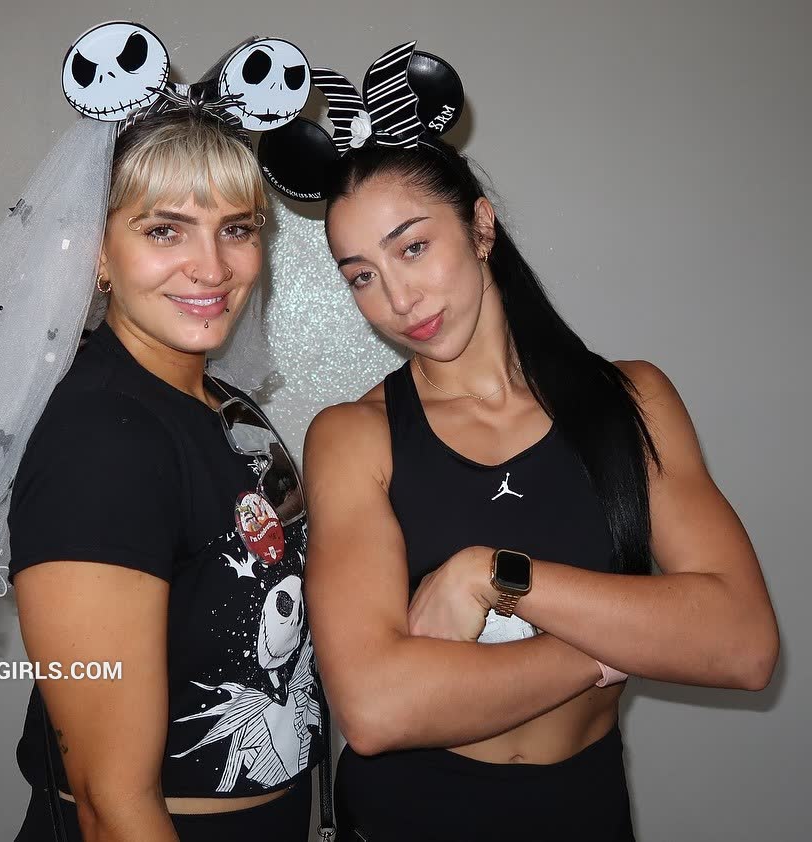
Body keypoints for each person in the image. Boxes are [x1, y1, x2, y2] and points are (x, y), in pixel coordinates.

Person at [0, 21, 324, 842]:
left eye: (237, 227)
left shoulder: (224, 408)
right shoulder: (105, 440)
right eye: (164, 229)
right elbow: (113, 805)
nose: (213, 267)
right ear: (98, 254)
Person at [300, 101, 780, 841]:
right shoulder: (354, 437)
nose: (397, 299)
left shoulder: (632, 401)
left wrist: (492, 574)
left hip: (583, 812)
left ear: (481, 227)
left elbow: (743, 643)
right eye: (361, 276)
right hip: (411, 814)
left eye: (413, 248)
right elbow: (375, 708)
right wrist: (609, 647)